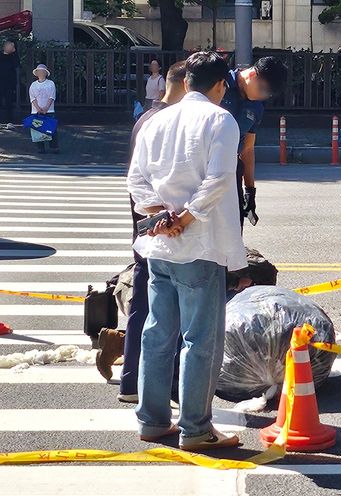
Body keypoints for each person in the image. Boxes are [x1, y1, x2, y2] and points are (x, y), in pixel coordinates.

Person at [127, 51, 247, 450]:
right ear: (220, 86)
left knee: (157, 334)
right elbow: (218, 180)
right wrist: (187, 218)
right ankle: (196, 428)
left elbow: (136, 179)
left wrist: (163, 215)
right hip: (201, 244)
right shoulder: (220, 119)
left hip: (160, 243)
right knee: (200, 341)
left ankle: (152, 420)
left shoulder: (156, 119)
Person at [95, 61, 188, 405]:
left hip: (145, 223)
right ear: (183, 85)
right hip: (158, 225)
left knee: (144, 305)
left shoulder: (146, 118)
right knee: (161, 308)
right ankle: (152, 384)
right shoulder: (163, 121)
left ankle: (132, 379)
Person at [220, 56, 288, 228]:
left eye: (268, 95)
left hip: (231, 169)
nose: (262, 96)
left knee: (234, 229)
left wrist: (250, 191)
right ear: (252, 75)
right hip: (202, 167)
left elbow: (248, 148)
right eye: (263, 90)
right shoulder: (220, 82)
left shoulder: (256, 107)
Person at [28, 64, 59, 154]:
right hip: (35, 111)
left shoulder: (50, 83)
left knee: (51, 129)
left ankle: (54, 147)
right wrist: (38, 108)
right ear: (36, 73)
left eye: (42, 71)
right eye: (39, 71)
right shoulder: (33, 85)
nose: (41, 73)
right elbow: (32, 98)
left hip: (49, 110)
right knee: (37, 129)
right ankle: (40, 148)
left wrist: (46, 108)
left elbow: (52, 96)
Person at [0, 41, 19, 128]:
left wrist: (14, 52)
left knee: (9, 101)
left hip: (10, 82)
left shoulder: (13, 56)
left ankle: (9, 121)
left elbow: (17, 64)